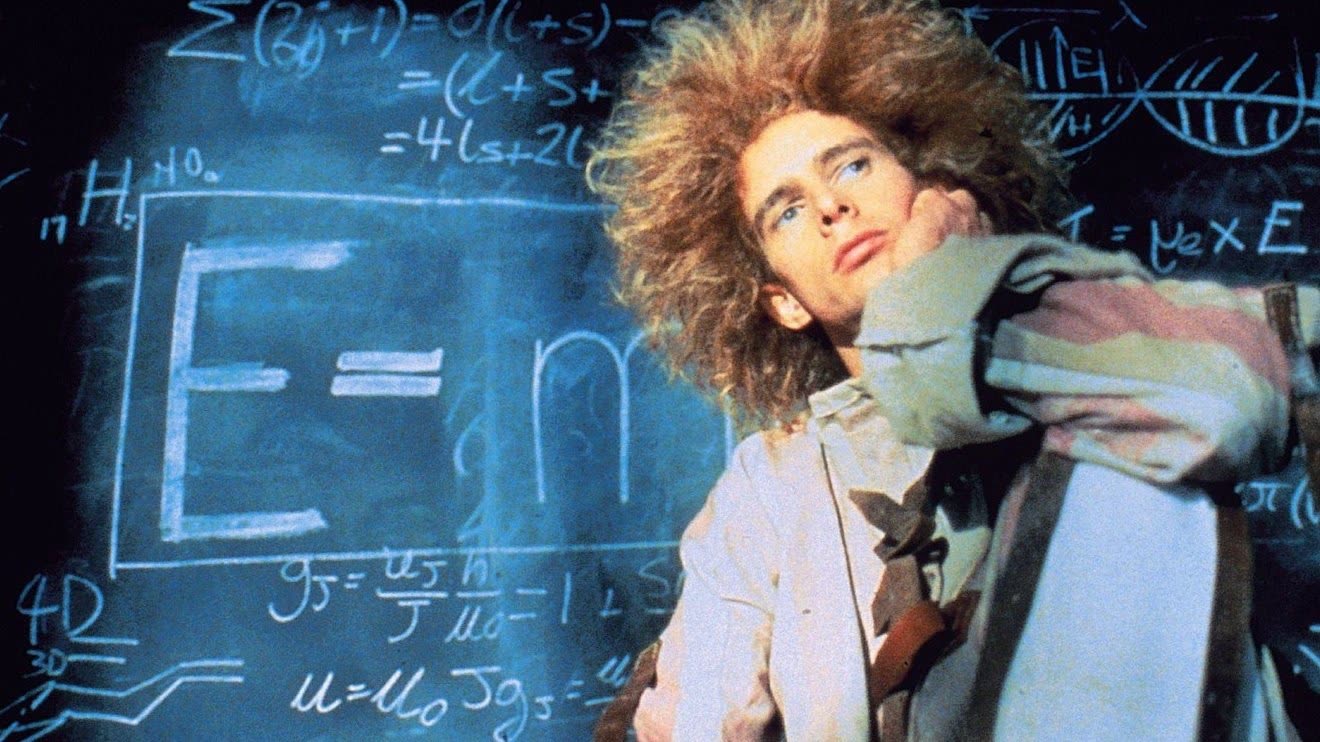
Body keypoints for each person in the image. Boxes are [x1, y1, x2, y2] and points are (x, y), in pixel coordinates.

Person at [586, 0, 1319, 739]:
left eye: (852, 165)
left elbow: (1232, 405)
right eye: (787, 211)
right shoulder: (771, 488)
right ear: (784, 302)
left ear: (935, 182)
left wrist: (945, 294)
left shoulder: (1096, 324)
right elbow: (697, 722)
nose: (833, 206)